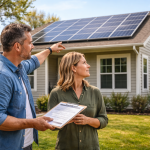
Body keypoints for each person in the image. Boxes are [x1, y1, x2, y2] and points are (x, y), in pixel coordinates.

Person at [0, 23, 65, 150]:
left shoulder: (20, 67)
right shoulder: (3, 75)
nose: (33, 46)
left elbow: (35, 61)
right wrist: (33, 123)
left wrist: (50, 50)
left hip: (26, 143)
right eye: (30, 43)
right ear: (17, 46)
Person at [48, 52, 108, 150]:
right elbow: (51, 125)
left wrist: (88, 120)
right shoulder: (56, 93)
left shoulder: (95, 92)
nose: (88, 66)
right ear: (73, 68)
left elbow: (104, 120)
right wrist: (65, 120)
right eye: (84, 63)